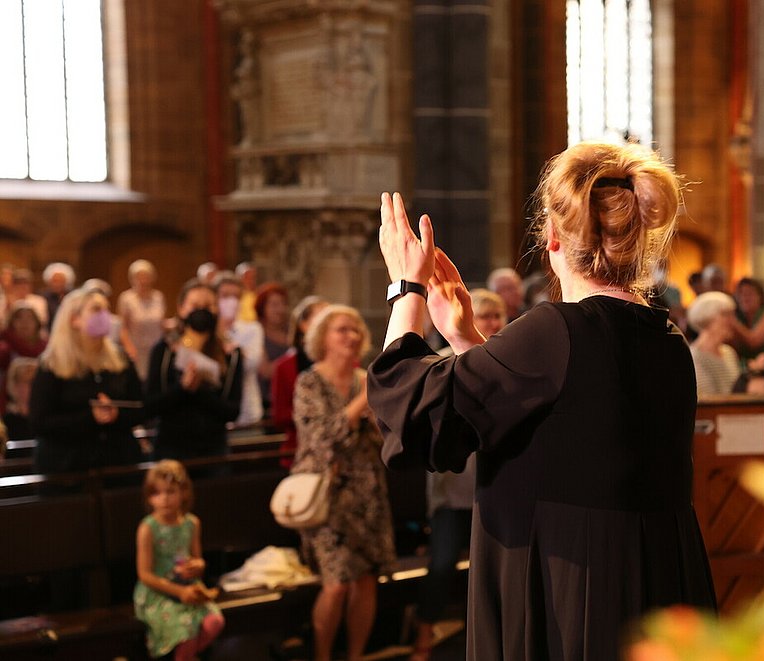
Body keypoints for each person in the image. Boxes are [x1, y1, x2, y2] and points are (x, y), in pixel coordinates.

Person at [368, 141, 716, 661]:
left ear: (552, 235)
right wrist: (466, 341)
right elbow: (562, 419)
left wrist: (406, 289)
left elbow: (411, 415)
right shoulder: (666, 339)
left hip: (569, 591)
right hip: (651, 585)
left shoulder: (556, 330)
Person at [291, 305, 396, 661]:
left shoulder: (365, 380)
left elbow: (386, 439)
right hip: (327, 496)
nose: (351, 336)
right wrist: (361, 402)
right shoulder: (309, 382)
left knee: (366, 581)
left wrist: (376, 415)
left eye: (355, 330)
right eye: (342, 330)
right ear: (323, 337)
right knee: (336, 585)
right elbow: (321, 438)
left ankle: (356, 656)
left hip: (367, 492)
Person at [410, 289, 506, 661]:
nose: (491, 324)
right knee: (442, 564)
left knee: (491, 571)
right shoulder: (443, 364)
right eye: (483, 316)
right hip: (454, 489)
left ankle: (484, 644)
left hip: (493, 486)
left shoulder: (507, 363)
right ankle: (422, 638)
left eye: (496, 316)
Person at [30, 287, 144, 476]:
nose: (105, 316)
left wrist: (117, 414)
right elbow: (40, 422)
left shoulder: (120, 359)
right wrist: (90, 418)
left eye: (106, 309)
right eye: (97, 310)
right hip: (66, 467)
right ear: (74, 319)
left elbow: (139, 406)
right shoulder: (52, 364)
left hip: (117, 462)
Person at [134, 460, 225, 660]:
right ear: (149, 497)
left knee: (214, 622)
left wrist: (198, 565)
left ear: (183, 492)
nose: (164, 499)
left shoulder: (191, 523)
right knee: (187, 630)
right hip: (158, 592)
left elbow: (197, 560)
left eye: (170, 492)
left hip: (189, 587)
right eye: (157, 493)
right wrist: (179, 591)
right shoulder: (148, 528)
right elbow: (144, 574)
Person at [145, 279, 242, 461]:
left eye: (208, 306)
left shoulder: (231, 353)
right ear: (182, 309)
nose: (201, 311)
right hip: (171, 449)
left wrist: (201, 391)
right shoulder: (164, 350)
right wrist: (182, 388)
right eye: (195, 306)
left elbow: (232, 411)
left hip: (213, 452)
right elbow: (150, 405)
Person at [270, 295, 327, 468]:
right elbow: (280, 416)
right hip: (299, 450)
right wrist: (318, 413)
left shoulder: (348, 363)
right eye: (322, 317)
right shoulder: (285, 366)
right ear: (304, 325)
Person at [214, 272, 264, 426]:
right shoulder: (208, 333)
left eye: (236, 296)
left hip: (246, 412)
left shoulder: (252, 329)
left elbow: (251, 364)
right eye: (225, 296)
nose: (231, 301)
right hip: (214, 411)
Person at [118, 259, 167, 382]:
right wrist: (130, 349)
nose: (143, 280)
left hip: (156, 347)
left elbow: (162, 323)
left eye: (146, 277)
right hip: (137, 349)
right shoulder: (126, 299)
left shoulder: (158, 297)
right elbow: (123, 328)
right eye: (139, 277)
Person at [687, 291, 742, 396]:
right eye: (726, 315)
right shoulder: (694, 357)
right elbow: (707, 398)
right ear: (706, 318)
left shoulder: (729, 352)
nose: (733, 321)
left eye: (732, 315)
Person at [255, 282, 291, 413]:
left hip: (291, 398)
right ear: (262, 308)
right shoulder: (257, 332)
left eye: (283, 304)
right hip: (267, 400)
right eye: (274, 305)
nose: (280, 309)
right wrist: (293, 356)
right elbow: (265, 371)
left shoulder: (290, 331)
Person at [4, 357, 38, 441]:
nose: (35, 387)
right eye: (29, 382)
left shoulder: (46, 419)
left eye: (37, 382)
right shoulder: (6, 423)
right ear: (15, 386)